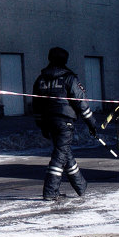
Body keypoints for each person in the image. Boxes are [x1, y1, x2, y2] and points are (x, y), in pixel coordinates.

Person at [32, 47, 97, 201]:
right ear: (65, 60)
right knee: (59, 156)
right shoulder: (69, 78)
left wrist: (42, 125)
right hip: (64, 122)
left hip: (49, 122)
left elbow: (36, 105)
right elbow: (81, 103)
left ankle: (81, 186)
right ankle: (50, 191)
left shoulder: (40, 79)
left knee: (64, 153)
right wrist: (92, 124)